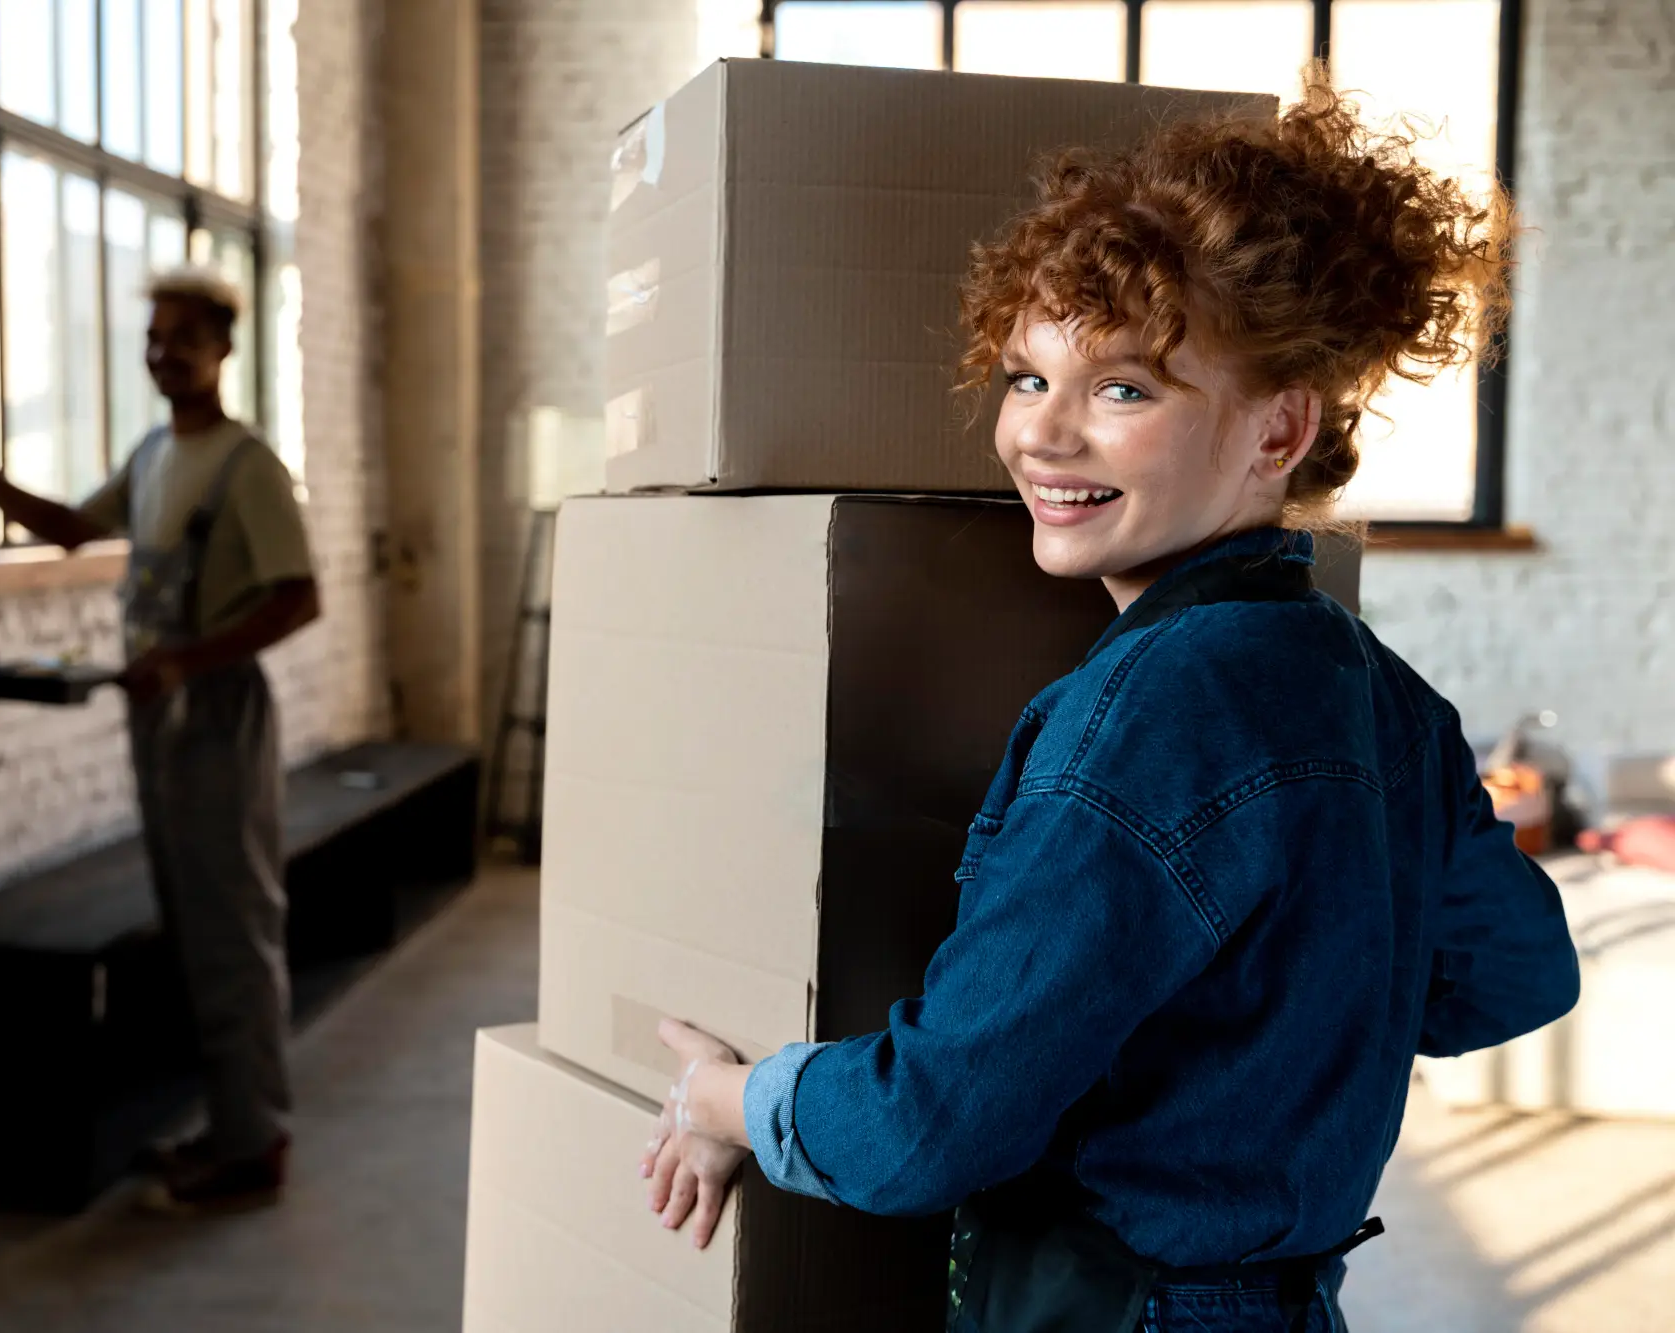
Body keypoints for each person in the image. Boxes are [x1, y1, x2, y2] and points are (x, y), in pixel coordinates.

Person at [639, 84, 1581, 1332]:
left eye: (1124, 391)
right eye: (1027, 377)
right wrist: (1275, 1026)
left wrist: (727, 1098)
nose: (1044, 436)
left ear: (1279, 428)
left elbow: (927, 1126)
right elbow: (1514, 971)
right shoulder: (1375, 691)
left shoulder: (1147, 713)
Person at [0, 268, 319, 1210]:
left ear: (223, 349)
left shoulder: (248, 467)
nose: (163, 351)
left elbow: (302, 598)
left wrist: (186, 661)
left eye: (183, 336)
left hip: (216, 715)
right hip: (160, 719)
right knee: (193, 926)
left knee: (233, 928)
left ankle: (256, 1146)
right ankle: (233, 1122)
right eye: (154, 336)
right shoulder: (154, 456)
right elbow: (67, 529)